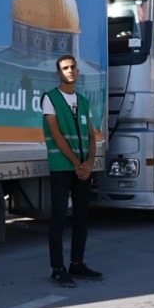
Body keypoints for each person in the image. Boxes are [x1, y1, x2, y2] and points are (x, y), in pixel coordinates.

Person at [41, 55, 102, 287]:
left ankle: (77, 264)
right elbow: (56, 134)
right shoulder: (51, 98)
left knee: (81, 218)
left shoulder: (84, 102)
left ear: (78, 72)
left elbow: (90, 136)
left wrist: (89, 162)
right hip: (62, 167)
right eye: (65, 68)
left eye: (73, 67)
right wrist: (77, 162)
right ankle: (58, 268)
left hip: (82, 168)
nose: (70, 71)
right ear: (59, 73)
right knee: (58, 219)